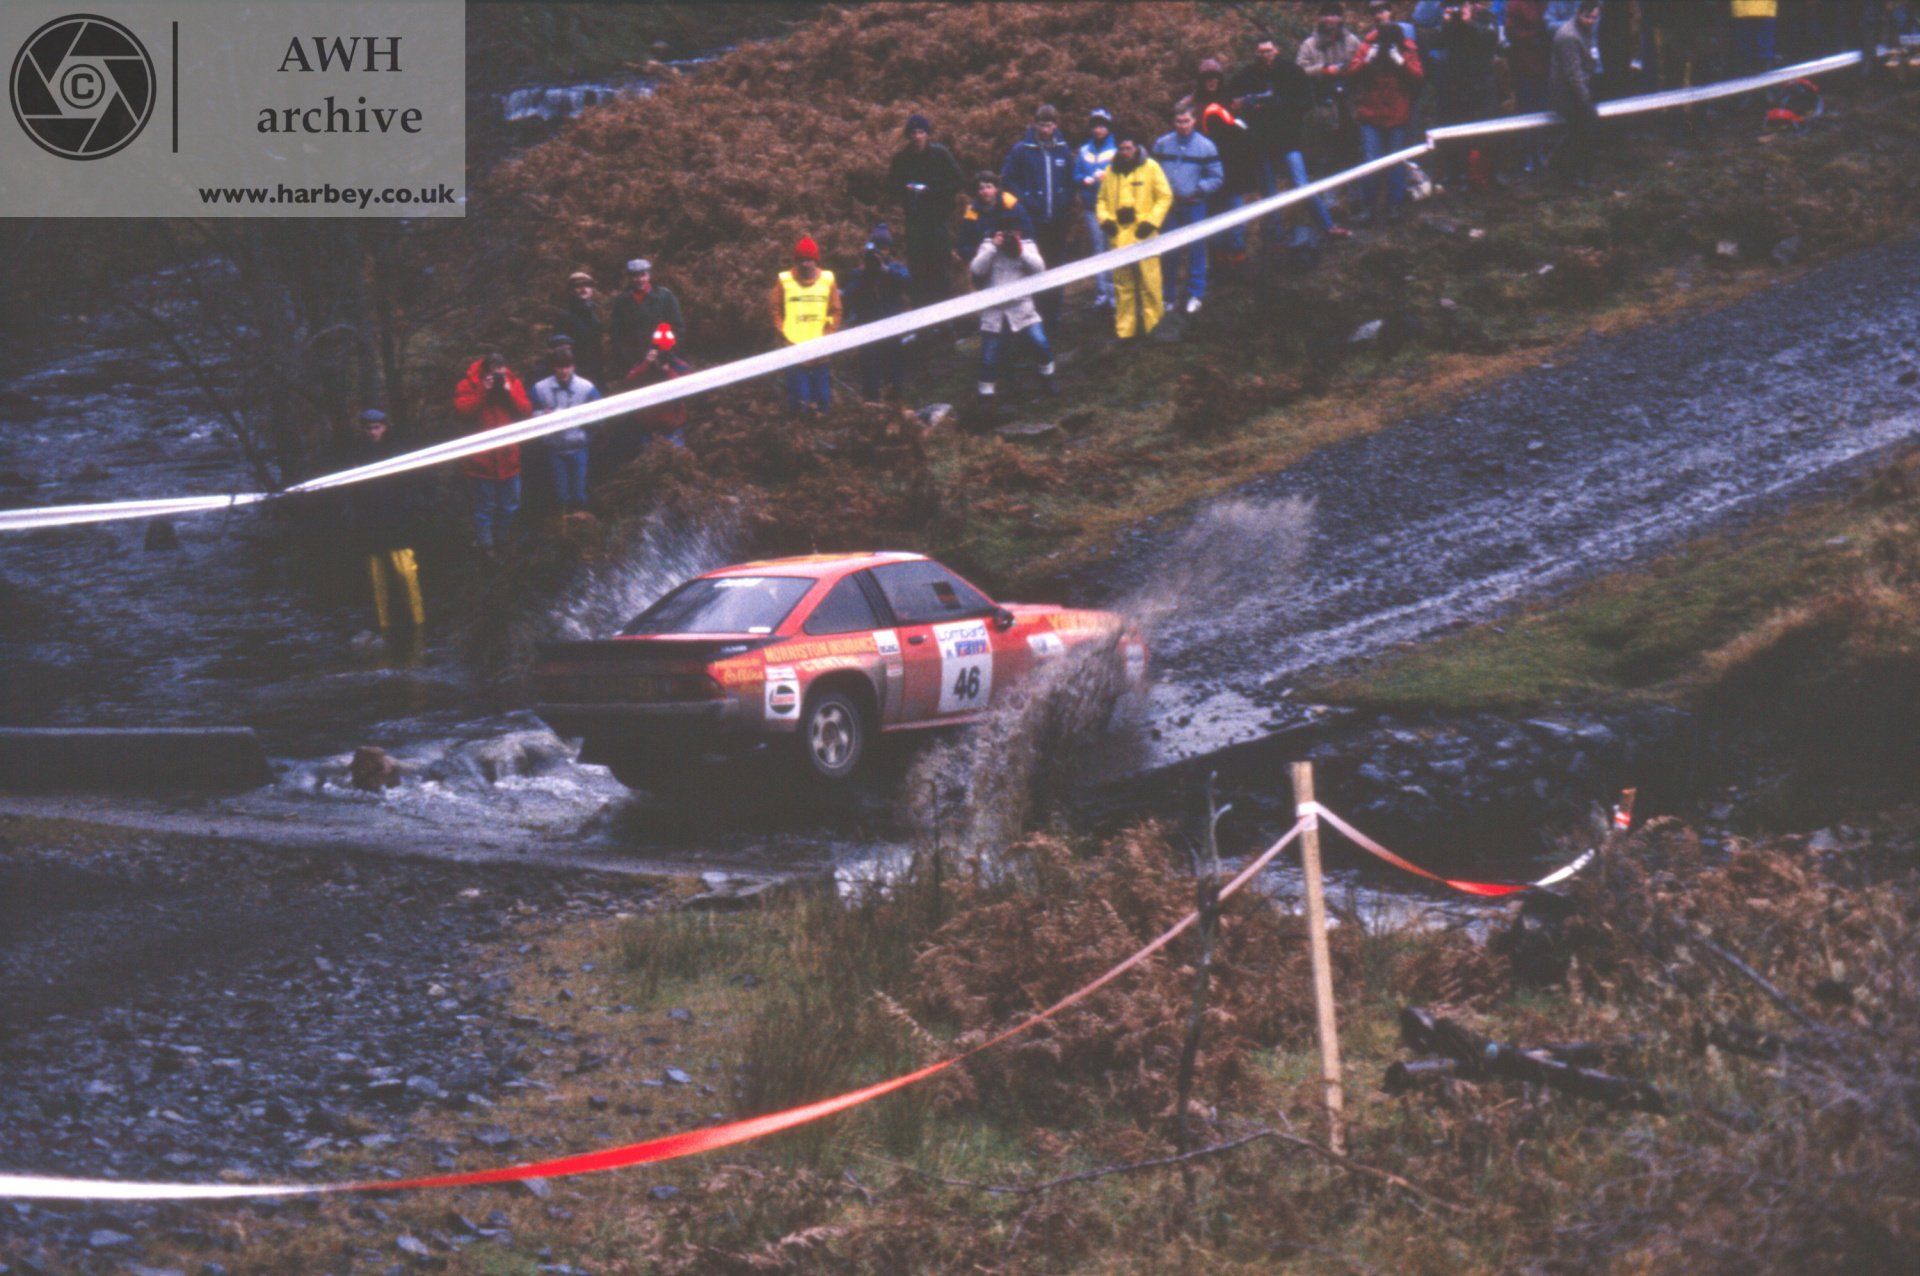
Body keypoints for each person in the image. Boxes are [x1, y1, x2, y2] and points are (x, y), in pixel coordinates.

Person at [1233, 35, 1348, 248]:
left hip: (1288, 138)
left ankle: (1328, 225)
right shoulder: (1247, 75)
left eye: (1268, 51)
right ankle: (1275, 236)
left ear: (1276, 50)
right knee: (1269, 192)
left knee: (1301, 184)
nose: (1265, 56)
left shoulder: (1291, 71)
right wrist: (1249, 107)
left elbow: (1306, 101)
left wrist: (1279, 106)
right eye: (1261, 52)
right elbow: (1233, 101)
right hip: (1261, 140)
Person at [336, 408, 424, 633]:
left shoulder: (397, 450)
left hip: (397, 521)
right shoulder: (355, 454)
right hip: (370, 523)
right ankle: (384, 625)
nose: (373, 432)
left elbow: (411, 484)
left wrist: (409, 512)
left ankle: (419, 622)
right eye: (369, 428)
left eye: (377, 427)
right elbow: (349, 489)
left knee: (406, 575)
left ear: (385, 427)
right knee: (377, 581)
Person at [999, 104, 1077, 329]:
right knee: (1034, 268)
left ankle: (1054, 315)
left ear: (1056, 125)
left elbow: (1071, 180)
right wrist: (1025, 200)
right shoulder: (1022, 149)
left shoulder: (1063, 149)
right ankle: (1035, 317)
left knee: (1056, 267)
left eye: (1050, 124)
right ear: (1034, 124)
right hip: (1033, 221)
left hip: (1058, 219)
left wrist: (1067, 200)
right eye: (1042, 124)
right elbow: (1008, 179)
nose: (1046, 129)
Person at [1347, 7, 1426, 219]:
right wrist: (1367, 61)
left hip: (1397, 112)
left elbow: (1418, 76)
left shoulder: (1405, 43)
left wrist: (1400, 61)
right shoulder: (1368, 44)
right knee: (1370, 159)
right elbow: (1351, 72)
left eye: (1382, 11)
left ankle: (1395, 206)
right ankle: (1368, 207)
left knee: (1396, 161)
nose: (1379, 16)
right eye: (1375, 13)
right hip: (1371, 111)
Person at [969, 222, 1055, 409]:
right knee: (988, 357)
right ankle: (986, 399)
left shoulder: (1027, 244)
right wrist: (993, 247)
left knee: (1040, 342)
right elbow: (976, 269)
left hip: (1022, 307)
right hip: (994, 311)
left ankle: (1047, 379)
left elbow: (1040, 268)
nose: (1008, 236)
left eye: (1012, 232)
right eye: (1004, 232)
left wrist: (1020, 250)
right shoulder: (987, 245)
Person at [1096, 135, 1174, 340]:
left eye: (1129, 148)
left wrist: (1151, 222)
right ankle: (1125, 331)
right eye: (1121, 148)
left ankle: (1155, 328)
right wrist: (1106, 222)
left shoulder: (1151, 167)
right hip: (1119, 238)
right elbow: (1101, 200)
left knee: (1150, 283)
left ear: (1136, 147)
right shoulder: (1111, 171)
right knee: (1123, 287)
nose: (1125, 152)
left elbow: (1165, 196)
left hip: (1145, 236)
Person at [887, 113, 967, 311]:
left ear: (928, 134)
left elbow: (958, 180)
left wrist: (933, 191)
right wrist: (905, 189)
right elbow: (890, 186)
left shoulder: (940, 154)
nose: (917, 137)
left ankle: (945, 316)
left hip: (939, 219)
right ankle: (923, 317)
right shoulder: (901, 158)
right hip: (915, 221)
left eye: (921, 132)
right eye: (913, 133)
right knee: (919, 270)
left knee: (941, 268)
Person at [451, 352, 531, 551]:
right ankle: (485, 545)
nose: (497, 379)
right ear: (486, 372)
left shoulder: (512, 382)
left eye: (500, 375)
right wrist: (483, 392)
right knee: (484, 507)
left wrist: (508, 392)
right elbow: (463, 413)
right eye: (493, 375)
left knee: (510, 504)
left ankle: (504, 539)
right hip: (480, 460)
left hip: (508, 456)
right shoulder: (467, 385)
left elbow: (526, 411)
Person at [1151, 105, 1222, 315]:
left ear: (1194, 121)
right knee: (1169, 252)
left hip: (1194, 205)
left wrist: (1199, 190)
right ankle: (1168, 296)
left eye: (1187, 121)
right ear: (1174, 122)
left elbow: (1217, 177)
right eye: (1179, 122)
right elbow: (1151, 172)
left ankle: (1195, 294)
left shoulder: (1206, 146)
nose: (1183, 126)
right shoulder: (1162, 144)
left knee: (1196, 250)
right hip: (1169, 207)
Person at [770, 235, 842, 417]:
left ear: (815, 260)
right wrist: (784, 332)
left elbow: (836, 310)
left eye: (809, 260)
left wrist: (828, 335)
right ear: (796, 261)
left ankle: (820, 434)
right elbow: (775, 309)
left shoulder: (827, 279)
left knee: (823, 401)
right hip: (794, 348)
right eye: (801, 260)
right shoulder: (784, 280)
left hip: (820, 350)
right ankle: (800, 434)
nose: (805, 264)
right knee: (800, 401)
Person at [1433, 2, 1502, 186]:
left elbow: (1490, 39)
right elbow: (1437, 42)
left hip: (1482, 83)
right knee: (1456, 129)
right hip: (1457, 84)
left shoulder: (1486, 17)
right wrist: (1446, 23)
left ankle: (1488, 174)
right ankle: (1457, 174)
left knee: (1486, 131)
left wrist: (1470, 23)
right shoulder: (1452, 21)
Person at [1194, 59, 1257, 258]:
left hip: (1232, 162)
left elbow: (1243, 129)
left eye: (1214, 78)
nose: (1211, 82)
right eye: (1207, 79)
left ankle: (1237, 249)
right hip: (1208, 165)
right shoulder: (1193, 104)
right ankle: (1218, 255)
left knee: (1236, 207)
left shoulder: (1231, 101)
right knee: (1214, 211)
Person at [843, 222, 913, 401]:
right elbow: (849, 295)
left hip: (892, 325)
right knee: (870, 369)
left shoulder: (895, 268)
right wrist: (866, 274)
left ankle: (895, 402)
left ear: (889, 250)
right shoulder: (860, 272)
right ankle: (871, 404)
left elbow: (908, 282)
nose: (882, 253)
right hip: (869, 327)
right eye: (879, 249)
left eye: (885, 249)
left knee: (894, 366)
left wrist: (886, 271)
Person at [530, 343, 600, 513]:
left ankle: (581, 522)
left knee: (579, 492)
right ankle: (562, 524)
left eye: (567, 367)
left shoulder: (587, 388)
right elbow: (528, 414)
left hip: (578, 446)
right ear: (554, 368)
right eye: (560, 367)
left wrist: (586, 435)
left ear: (573, 367)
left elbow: (599, 415)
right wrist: (542, 417)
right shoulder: (539, 388)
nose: (564, 371)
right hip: (554, 448)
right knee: (560, 494)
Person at [1298, 1, 1366, 161]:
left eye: (1334, 15)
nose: (1330, 19)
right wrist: (1323, 70)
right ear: (1319, 18)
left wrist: (1350, 69)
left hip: (1351, 103)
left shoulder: (1352, 40)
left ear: (1341, 18)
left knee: (1354, 150)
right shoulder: (1310, 44)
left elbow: (1364, 62)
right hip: (1324, 106)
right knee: (1329, 153)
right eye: (1326, 15)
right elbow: (1299, 70)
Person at [618, 322, 694, 453]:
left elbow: (687, 391)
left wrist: (669, 371)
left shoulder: (681, 367)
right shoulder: (643, 365)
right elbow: (628, 384)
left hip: (672, 427)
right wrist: (646, 364)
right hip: (647, 427)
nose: (662, 353)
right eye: (658, 349)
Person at [1550, 1, 1603, 183]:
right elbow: (1573, 76)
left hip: (1579, 90)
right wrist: (1586, 100)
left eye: (1594, 17)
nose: (1591, 21)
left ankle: (1562, 165)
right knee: (1585, 126)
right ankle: (1569, 171)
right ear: (1579, 13)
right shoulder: (1569, 37)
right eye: (1587, 17)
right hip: (1566, 95)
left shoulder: (1586, 30)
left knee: (1583, 129)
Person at [609, 258, 685, 376]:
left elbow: (677, 328)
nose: (639, 280)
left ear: (649, 275)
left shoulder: (665, 296)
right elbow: (617, 336)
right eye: (635, 276)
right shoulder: (621, 302)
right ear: (629, 278)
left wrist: (664, 355)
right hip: (636, 363)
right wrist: (631, 363)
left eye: (643, 275)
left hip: (665, 360)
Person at [1074, 108, 1119, 309]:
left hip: (1113, 207)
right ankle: (1102, 295)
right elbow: (1075, 175)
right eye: (1095, 125)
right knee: (1098, 249)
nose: (1099, 129)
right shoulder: (1084, 150)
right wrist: (1084, 179)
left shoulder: (1118, 148)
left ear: (1108, 127)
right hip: (1091, 207)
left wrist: (1106, 177)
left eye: (1102, 125)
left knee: (1114, 248)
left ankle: (1115, 294)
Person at [956, 171, 1035, 261]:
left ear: (996, 188)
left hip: (1013, 255)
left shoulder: (1011, 205)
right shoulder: (972, 212)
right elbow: (963, 245)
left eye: (989, 187)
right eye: (981, 188)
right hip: (986, 259)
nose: (985, 191)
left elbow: (1029, 233)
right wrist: (982, 249)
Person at [561, 270, 606, 386]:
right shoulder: (565, 316)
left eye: (587, 285)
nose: (583, 289)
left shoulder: (596, 312)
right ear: (571, 290)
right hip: (577, 371)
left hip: (597, 369)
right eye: (578, 286)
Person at [1732, 0, 1780, 70]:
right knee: (1764, 43)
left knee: (1746, 45)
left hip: (1743, 11)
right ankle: (1765, 64)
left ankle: (1748, 66)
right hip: (1765, 10)